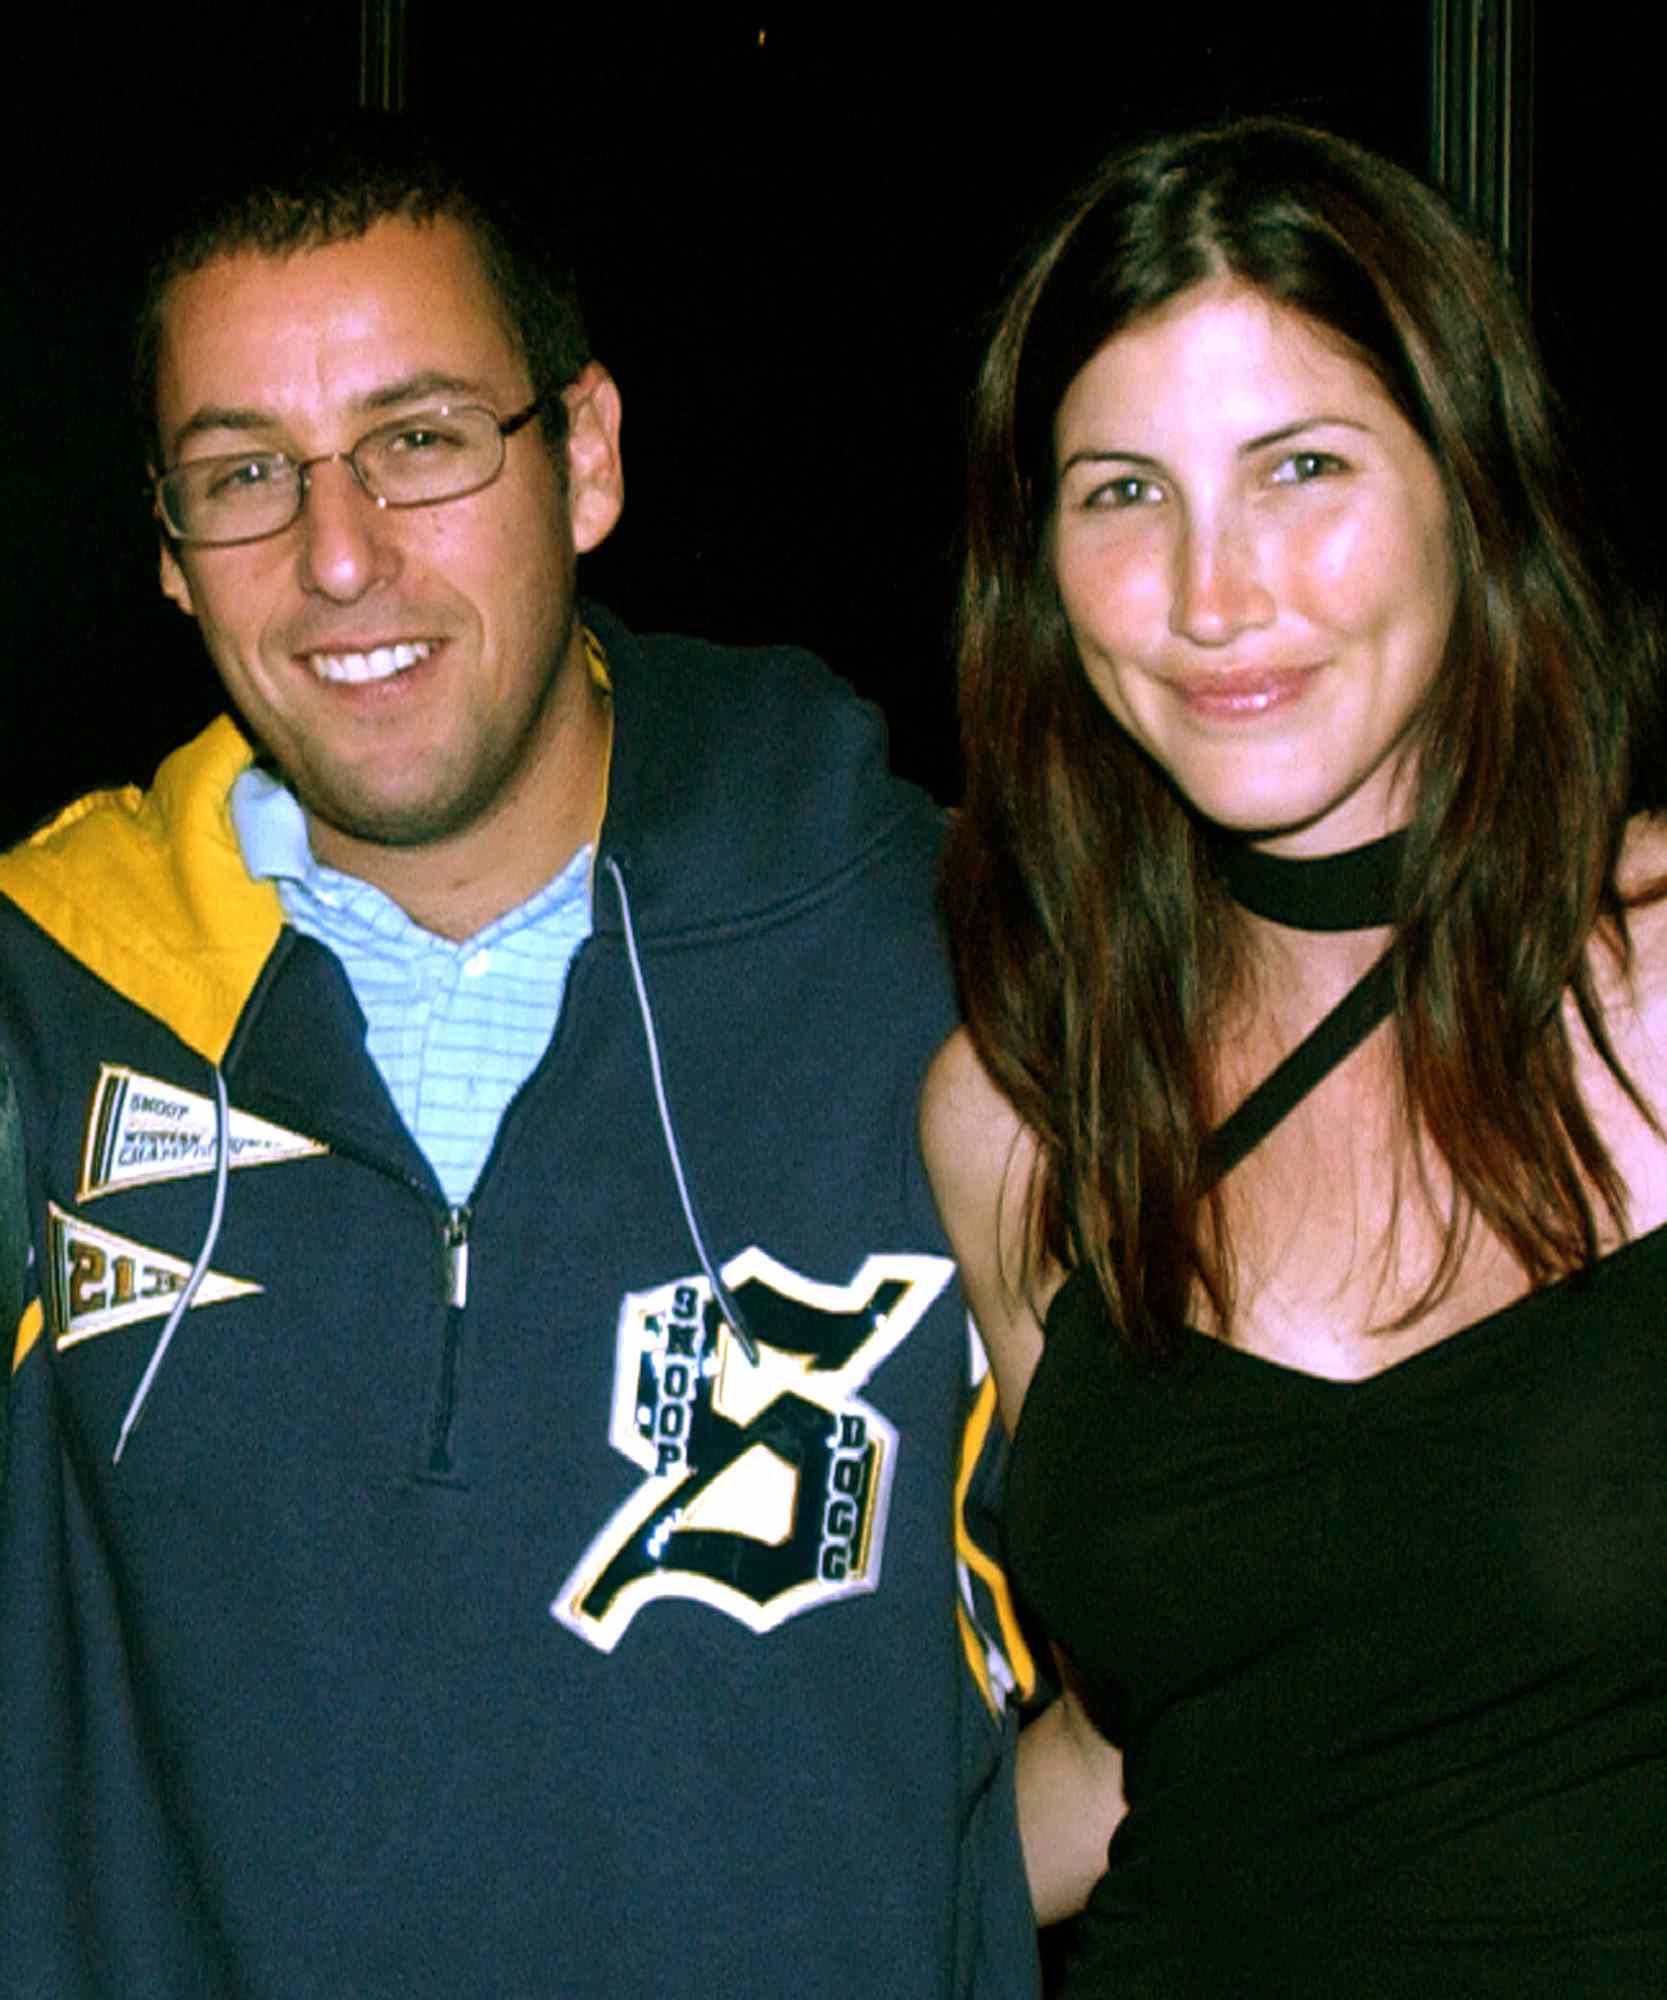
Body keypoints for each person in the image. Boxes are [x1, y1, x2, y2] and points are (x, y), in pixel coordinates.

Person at [0, 120, 1035, 1999]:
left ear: (587, 459)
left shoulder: (950, 974)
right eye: (243, 475)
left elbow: (1241, 1644)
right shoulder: (42, 1017)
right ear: (168, 558)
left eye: (418, 441)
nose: (337, 556)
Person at [921, 116, 1667, 1996]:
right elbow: (1146, 1751)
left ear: (1472, 489)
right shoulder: (1028, 1110)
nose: (1212, 596)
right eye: (1122, 494)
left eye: (1301, 468)